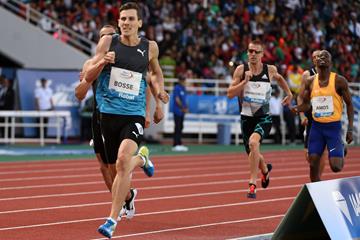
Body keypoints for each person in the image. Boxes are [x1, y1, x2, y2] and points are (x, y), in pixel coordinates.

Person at [83, 3, 168, 238]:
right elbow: (88, 77)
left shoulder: (150, 47)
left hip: (133, 115)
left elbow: (155, 73)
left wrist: (160, 94)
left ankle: (111, 220)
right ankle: (142, 159)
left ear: (139, 23)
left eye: (131, 19)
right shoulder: (108, 43)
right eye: (122, 19)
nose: (126, 23)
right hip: (107, 116)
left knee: (121, 162)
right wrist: (102, 63)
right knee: (113, 170)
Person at [227, 40, 293, 199]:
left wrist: (289, 93)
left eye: (256, 52)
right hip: (246, 118)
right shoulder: (241, 70)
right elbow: (230, 93)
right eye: (250, 51)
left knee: (254, 143)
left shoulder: (269, 70)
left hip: (264, 118)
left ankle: (252, 184)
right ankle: (265, 170)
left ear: (262, 54)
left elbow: (280, 78)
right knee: (253, 151)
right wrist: (244, 82)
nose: (253, 54)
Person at [291, 50, 353, 182]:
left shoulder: (339, 81)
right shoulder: (309, 81)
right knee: (312, 162)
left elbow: (350, 105)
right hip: (317, 127)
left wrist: (350, 129)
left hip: (333, 127)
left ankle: (341, 146)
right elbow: (307, 104)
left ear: (330, 62)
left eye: (325, 57)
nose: (321, 58)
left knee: (336, 167)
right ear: (315, 62)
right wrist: (297, 109)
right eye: (319, 57)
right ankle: (317, 191)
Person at [297, 50, 327, 177]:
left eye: (319, 57)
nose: (316, 59)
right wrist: (302, 115)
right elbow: (300, 97)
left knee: (322, 151)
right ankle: (316, 177)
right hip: (311, 118)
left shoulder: (329, 74)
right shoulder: (307, 75)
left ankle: (317, 180)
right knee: (309, 155)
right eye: (314, 57)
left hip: (325, 117)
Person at [172, 75, 188, 152]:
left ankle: (179, 143)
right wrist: (183, 108)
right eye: (184, 81)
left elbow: (184, 99)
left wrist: (186, 107)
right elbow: (177, 99)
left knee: (181, 127)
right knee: (177, 127)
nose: (185, 82)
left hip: (182, 112)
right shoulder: (177, 88)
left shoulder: (184, 88)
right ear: (180, 81)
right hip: (177, 111)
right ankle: (175, 144)